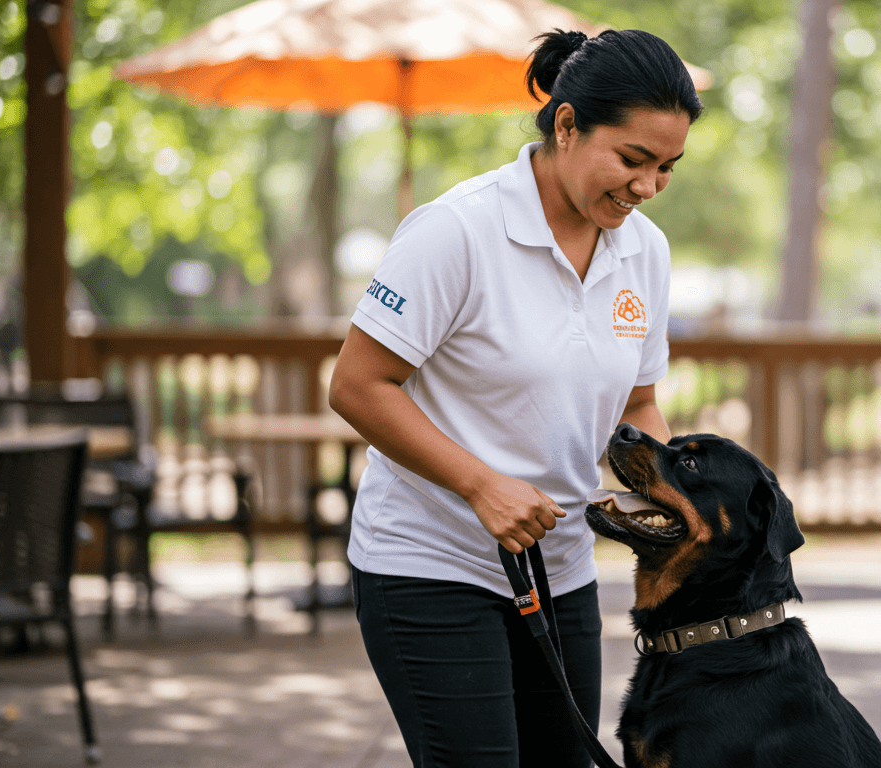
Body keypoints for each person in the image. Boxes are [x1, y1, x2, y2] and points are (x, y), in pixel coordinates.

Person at [328, 28, 702, 768]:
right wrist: (481, 485)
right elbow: (357, 385)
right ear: (566, 125)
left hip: (561, 568)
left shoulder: (644, 252)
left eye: (667, 167)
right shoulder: (456, 231)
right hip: (428, 564)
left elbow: (635, 407)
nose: (648, 186)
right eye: (632, 160)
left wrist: (674, 498)